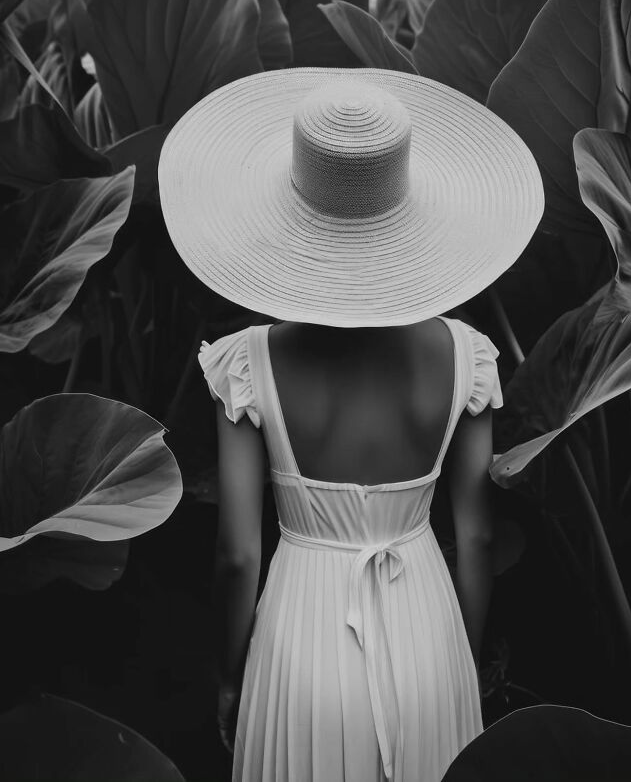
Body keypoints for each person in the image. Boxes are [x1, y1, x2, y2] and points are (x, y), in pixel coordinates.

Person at [158, 68, 544, 782]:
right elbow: (479, 534)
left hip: (302, 638)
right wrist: (459, 657)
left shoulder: (251, 362)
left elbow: (239, 552)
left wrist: (229, 674)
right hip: (428, 626)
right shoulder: (467, 356)